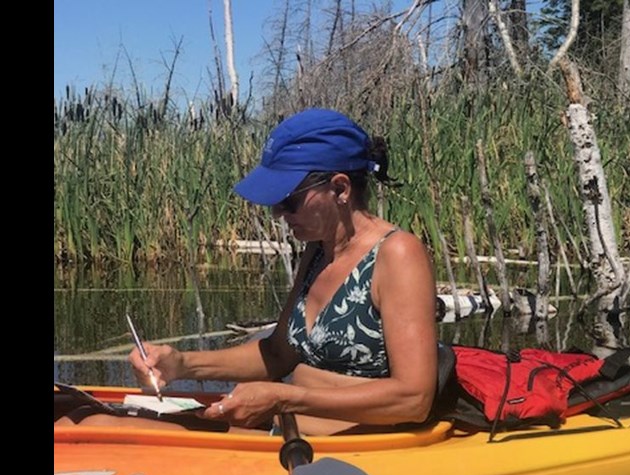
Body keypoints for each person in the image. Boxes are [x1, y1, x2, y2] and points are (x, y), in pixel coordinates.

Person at [60, 108, 439, 436]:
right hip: (290, 428)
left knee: (96, 428)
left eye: (288, 201)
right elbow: (277, 355)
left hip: (352, 451)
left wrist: (285, 396)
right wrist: (180, 364)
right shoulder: (316, 252)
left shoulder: (398, 254)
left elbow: (414, 398)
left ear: (340, 188)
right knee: (78, 418)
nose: (278, 215)